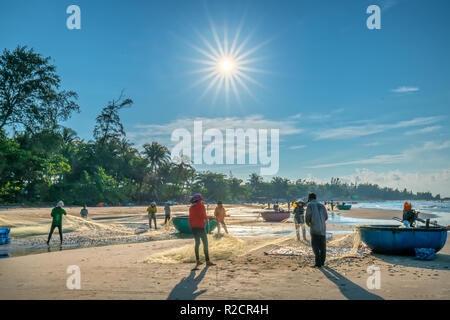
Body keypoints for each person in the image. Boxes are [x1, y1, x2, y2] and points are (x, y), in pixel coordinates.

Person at [189, 193, 215, 269]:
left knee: (197, 243)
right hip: (200, 227)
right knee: (205, 243)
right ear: (200, 200)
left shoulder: (191, 208)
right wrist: (209, 217)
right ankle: (207, 261)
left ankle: (197, 260)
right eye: (201, 200)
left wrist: (192, 227)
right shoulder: (201, 206)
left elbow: (190, 218)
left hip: (193, 228)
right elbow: (203, 216)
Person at [305, 193, 328, 268]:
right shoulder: (321, 205)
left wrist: (308, 223)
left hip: (314, 228)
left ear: (309, 198)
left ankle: (318, 263)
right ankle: (322, 262)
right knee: (322, 247)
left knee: (315, 246)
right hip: (323, 229)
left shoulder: (310, 205)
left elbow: (308, 216)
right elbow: (326, 217)